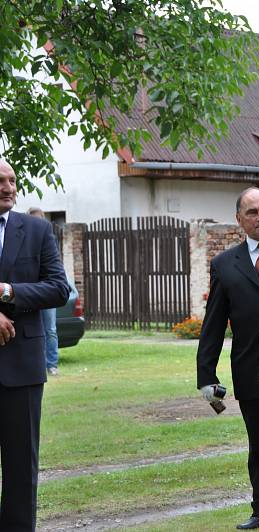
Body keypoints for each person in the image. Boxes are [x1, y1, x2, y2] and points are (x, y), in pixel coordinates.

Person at [196, 187, 259, 530]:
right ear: (239, 220)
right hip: (251, 366)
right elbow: (214, 322)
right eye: (252, 212)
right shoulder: (224, 264)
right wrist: (206, 375)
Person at [0, 160, 69, 530]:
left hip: (22, 365)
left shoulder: (38, 230)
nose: (8, 187)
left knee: (20, 466)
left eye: (12, 180)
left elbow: (58, 288)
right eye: (0, 181)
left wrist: (9, 292)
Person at [27, 207, 60, 377]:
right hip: (28, 294)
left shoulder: (49, 240)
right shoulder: (23, 241)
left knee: (50, 330)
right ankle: (35, 363)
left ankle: (52, 364)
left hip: (46, 294)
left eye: (40, 220)